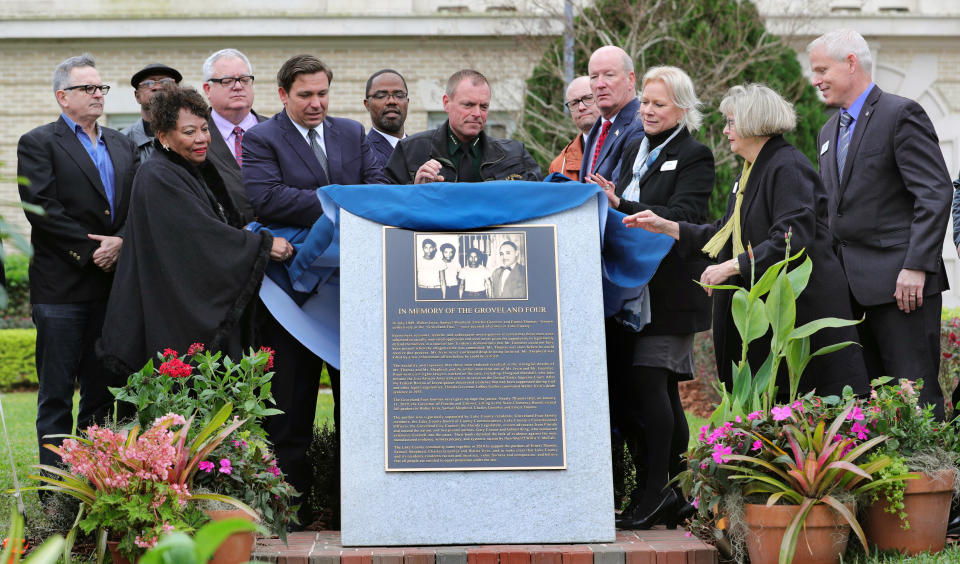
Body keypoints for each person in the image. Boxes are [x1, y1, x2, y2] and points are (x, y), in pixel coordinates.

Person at [624, 83, 869, 401]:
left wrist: (732, 266)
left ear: (754, 123)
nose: (725, 131)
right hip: (769, 314)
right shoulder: (752, 170)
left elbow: (790, 238)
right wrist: (668, 227)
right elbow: (724, 231)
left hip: (798, 316)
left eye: (730, 122)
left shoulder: (787, 167)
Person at [242, 54, 387, 527]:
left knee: (361, 408)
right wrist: (341, 202)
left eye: (322, 93)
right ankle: (290, 514)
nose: (316, 103)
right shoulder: (262, 138)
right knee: (290, 407)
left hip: (353, 291)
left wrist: (342, 204)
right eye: (305, 95)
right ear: (283, 95)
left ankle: (360, 511)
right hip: (291, 297)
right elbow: (266, 198)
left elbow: (378, 190)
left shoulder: (351, 132)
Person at [588, 66, 713, 529]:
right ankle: (675, 494)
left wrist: (624, 205)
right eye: (645, 103)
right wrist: (608, 196)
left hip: (671, 294)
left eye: (659, 104)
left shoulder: (694, 155)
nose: (648, 111)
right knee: (658, 394)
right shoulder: (634, 150)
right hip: (633, 292)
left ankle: (655, 494)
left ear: (682, 108)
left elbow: (685, 215)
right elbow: (623, 204)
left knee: (649, 385)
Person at [807, 29, 952, 419]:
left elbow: (935, 193)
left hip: (904, 288)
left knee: (915, 395)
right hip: (849, 294)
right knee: (870, 403)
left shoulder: (900, 114)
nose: (816, 79)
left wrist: (917, 265)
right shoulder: (826, 132)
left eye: (822, 70)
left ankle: (932, 480)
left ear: (851, 63)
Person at [98, 87, 290, 375]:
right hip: (171, 315)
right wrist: (262, 244)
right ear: (163, 136)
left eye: (204, 129)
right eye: (189, 132)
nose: (201, 139)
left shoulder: (190, 169)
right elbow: (199, 236)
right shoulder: (156, 175)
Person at [17, 54, 139, 470]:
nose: (97, 95)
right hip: (61, 289)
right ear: (62, 96)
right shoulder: (38, 142)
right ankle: (56, 492)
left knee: (103, 392)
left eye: (100, 88)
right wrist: (92, 252)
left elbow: (137, 204)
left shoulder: (122, 143)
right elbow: (42, 208)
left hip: (112, 289)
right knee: (56, 394)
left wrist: (121, 241)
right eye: (88, 88)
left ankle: (95, 481)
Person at [384, 69, 541, 184]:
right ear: (446, 103)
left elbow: (540, 199)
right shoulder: (410, 150)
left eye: (484, 106)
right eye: (468, 105)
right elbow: (386, 206)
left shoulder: (514, 154)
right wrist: (415, 189)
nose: (477, 113)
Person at [201, 48, 266, 224]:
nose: (238, 86)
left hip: (284, 241)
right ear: (208, 89)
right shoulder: (194, 137)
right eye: (227, 81)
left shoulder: (278, 131)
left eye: (244, 80)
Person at [580, 46, 643, 182]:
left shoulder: (641, 124)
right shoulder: (597, 129)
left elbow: (620, 190)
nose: (600, 84)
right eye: (594, 77)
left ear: (630, 79)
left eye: (609, 75)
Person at [122, 63, 182, 162]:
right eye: (147, 83)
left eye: (165, 82)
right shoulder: (122, 141)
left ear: (177, 91)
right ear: (137, 96)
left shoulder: (195, 136)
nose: (157, 87)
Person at [549, 76, 600, 180]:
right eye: (574, 103)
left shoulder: (625, 143)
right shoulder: (560, 166)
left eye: (588, 98)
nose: (581, 107)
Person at [364, 69, 410, 164]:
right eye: (381, 95)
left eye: (399, 95)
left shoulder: (423, 151)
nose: (391, 101)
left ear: (407, 102)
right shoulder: (361, 154)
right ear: (367, 104)